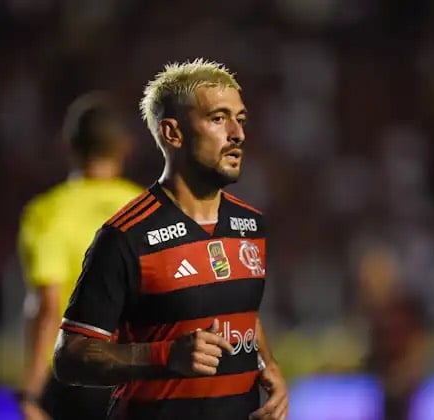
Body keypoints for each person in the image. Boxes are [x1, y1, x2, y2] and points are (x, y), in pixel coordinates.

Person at [53, 59, 288, 420]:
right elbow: (70, 356)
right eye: (218, 118)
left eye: (240, 119)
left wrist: (268, 364)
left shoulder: (250, 225)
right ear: (173, 133)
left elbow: (240, 315)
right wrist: (164, 355)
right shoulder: (127, 236)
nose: (237, 133)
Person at [17, 92, 142, 420]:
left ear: (69, 146)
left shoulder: (47, 213)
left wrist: (31, 390)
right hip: (136, 373)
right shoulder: (147, 209)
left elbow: (47, 305)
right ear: (125, 147)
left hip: (73, 379)